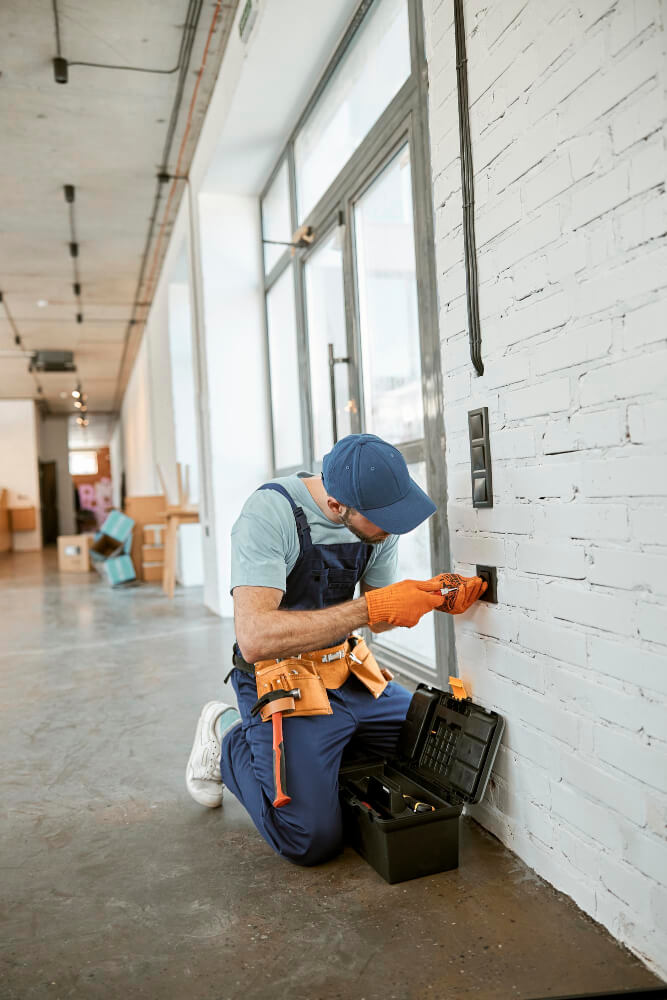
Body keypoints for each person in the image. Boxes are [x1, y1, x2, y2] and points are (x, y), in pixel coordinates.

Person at [185, 433, 486, 866]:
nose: (392, 528)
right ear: (335, 506)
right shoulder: (271, 514)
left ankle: (323, 756)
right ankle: (227, 732)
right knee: (311, 839)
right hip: (280, 680)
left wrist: (431, 595)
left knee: (431, 743)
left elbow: (379, 614)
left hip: (344, 670)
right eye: (382, 518)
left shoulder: (379, 528)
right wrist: (369, 607)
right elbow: (255, 639)